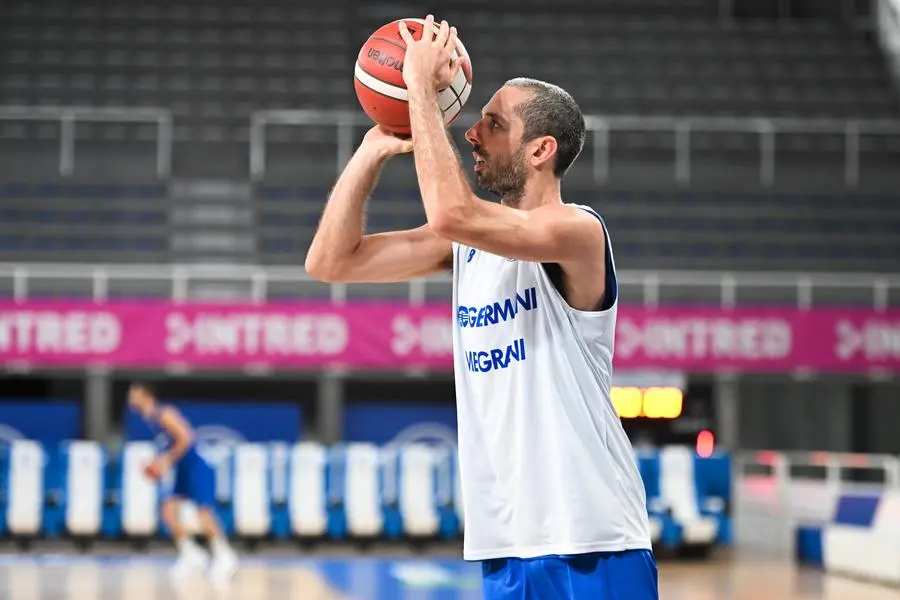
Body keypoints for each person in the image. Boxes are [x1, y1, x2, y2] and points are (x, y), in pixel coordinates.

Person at [306, 15, 658, 599]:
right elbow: (330, 263)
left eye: (492, 125)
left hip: (593, 540)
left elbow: (452, 213)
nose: (471, 134)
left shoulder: (578, 232)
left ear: (541, 150)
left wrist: (419, 86)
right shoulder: (465, 247)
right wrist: (369, 153)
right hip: (505, 543)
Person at [127, 382, 238, 584]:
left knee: (203, 512)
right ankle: (191, 554)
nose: (130, 399)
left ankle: (225, 555)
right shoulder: (150, 419)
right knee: (168, 512)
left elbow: (187, 438)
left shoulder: (163, 413)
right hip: (183, 468)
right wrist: (157, 461)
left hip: (197, 465)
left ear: (145, 395)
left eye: (133, 394)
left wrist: (165, 460)